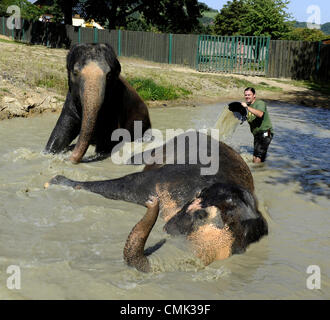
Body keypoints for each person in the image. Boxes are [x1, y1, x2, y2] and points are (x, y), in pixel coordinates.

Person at [241, 87, 274, 163]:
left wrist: (247, 107)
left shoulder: (260, 103)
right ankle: (261, 169)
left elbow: (260, 114)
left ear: (254, 95)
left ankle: (256, 173)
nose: (247, 97)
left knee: (258, 156)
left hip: (267, 132)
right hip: (256, 134)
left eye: (249, 95)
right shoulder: (247, 107)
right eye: (245, 95)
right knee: (255, 156)